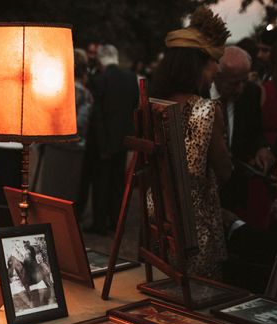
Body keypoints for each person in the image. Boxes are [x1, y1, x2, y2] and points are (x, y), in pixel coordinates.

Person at [150, 7, 231, 279]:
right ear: (196, 63)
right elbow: (225, 171)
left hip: (157, 224)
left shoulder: (152, 107)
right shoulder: (206, 110)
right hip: (196, 233)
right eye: (213, 61)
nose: (217, 68)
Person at [211, 46, 276, 229]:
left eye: (243, 81)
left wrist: (263, 149)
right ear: (217, 75)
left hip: (236, 192)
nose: (240, 89)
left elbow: (256, 133)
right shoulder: (200, 96)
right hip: (205, 192)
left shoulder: (251, 93)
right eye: (233, 83)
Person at [87, 44, 139, 235]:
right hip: (123, 139)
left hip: (104, 141)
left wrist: (102, 146)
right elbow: (134, 107)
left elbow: (98, 116)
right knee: (118, 182)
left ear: (100, 60)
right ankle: (115, 220)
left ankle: (99, 223)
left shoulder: (99, 80)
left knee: (100, 183)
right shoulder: (131, 78)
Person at [36, 48, 93, 202]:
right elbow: (82, 123)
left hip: (54, 146)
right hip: (74, 149)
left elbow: (47, 118)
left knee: (49, 192)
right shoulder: (86, 94)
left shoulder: (55, 89)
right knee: (67, 194)